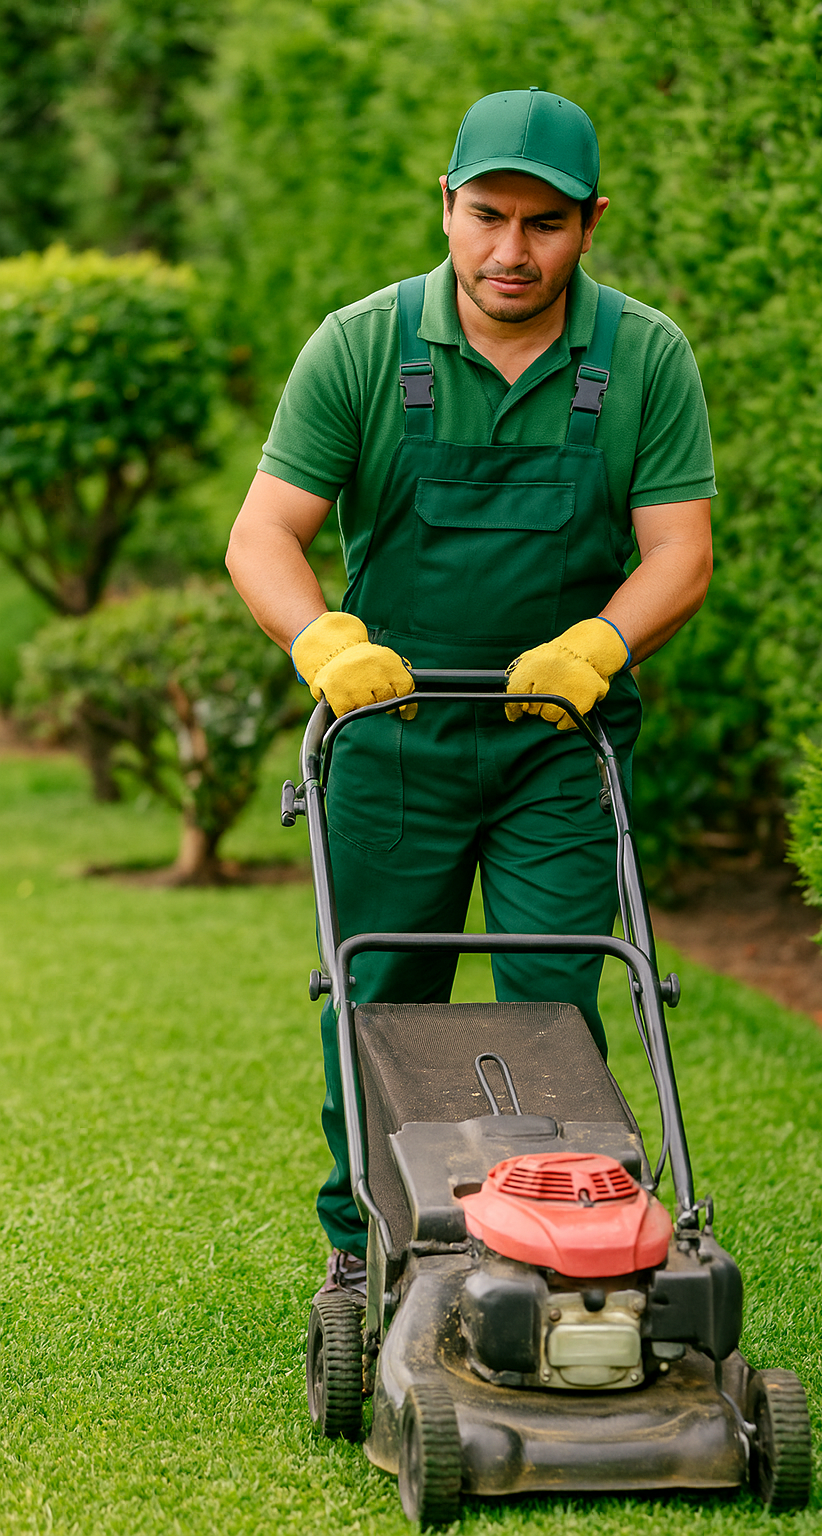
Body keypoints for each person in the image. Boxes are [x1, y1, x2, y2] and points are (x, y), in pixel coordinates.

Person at [226, 88, 715, 1303]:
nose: (511, 251)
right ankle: (366, 1247)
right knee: (377, 995)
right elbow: (263, 536)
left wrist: (597, 645)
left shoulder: (642, 355)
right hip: (391, 737)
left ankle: (556, 1251)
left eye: (544, 224)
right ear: (445, 206)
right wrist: (324, 646)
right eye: (487, 216)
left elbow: (679, 554)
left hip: (558, 743)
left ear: (589, 224)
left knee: (554, 995)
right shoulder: (360, 345)